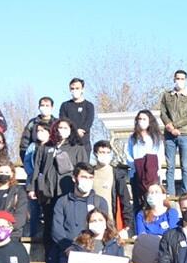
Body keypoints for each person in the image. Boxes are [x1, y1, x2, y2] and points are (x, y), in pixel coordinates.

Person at [30, 119, 88, 252]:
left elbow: (84, 169)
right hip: (48, 194)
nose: (62, 130)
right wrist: (32, 188)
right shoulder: (45, 148)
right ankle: (49, 256)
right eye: (60, 127)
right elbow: (37, 169)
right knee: (49, 226)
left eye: (66, 128)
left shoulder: (77, 148)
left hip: (68, 194)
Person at [160, 70, 187, 196]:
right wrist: (169, 127)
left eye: (182, 78)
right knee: (170, 166)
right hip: (169, 135)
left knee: (185, 166)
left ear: (186, 80)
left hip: (184, 134)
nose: (179, 81)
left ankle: (185, 192)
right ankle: (170, 193)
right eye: (177, 78)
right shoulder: (167, 95)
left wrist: (175, 126)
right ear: (174, 79)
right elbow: (163, 113)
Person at [90, 141, 134, 235]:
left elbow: (125, 200)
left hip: (110, 222)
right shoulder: (89, 173)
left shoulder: (116, 174)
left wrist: (128, 225)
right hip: (91, 221)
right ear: (95, 154)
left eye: (107, 152)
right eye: (102, 152)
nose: (105, 155)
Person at [125, 110, 161, 212]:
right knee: (138, 203)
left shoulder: (156, 137)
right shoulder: (133, 138)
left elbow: (159, 155)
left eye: (144, 119)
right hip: (136, 174)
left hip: (152, 175)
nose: (141, 121)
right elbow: (128, 154)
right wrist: (135, 166)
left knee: (152, 202)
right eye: (139, 119)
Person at [19, 96, 56, 165]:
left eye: (47, 105)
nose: (45, 107)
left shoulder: (57, 123)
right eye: (42, 105)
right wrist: (26, 161)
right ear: (39, 107)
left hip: (52, 158)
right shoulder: (32, 123)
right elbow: (24, 143)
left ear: (52, 107)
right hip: (35, 157)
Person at [60, 78, 95, 149]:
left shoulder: (89, 105)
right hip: (68, 143)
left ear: (82, 89)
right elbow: (63, 121)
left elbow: (89, 121)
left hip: (84, 143)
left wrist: (81, 131)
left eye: (77, 88)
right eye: (72, 88)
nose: (74, 90)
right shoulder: (65, 105)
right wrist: (74, 131)